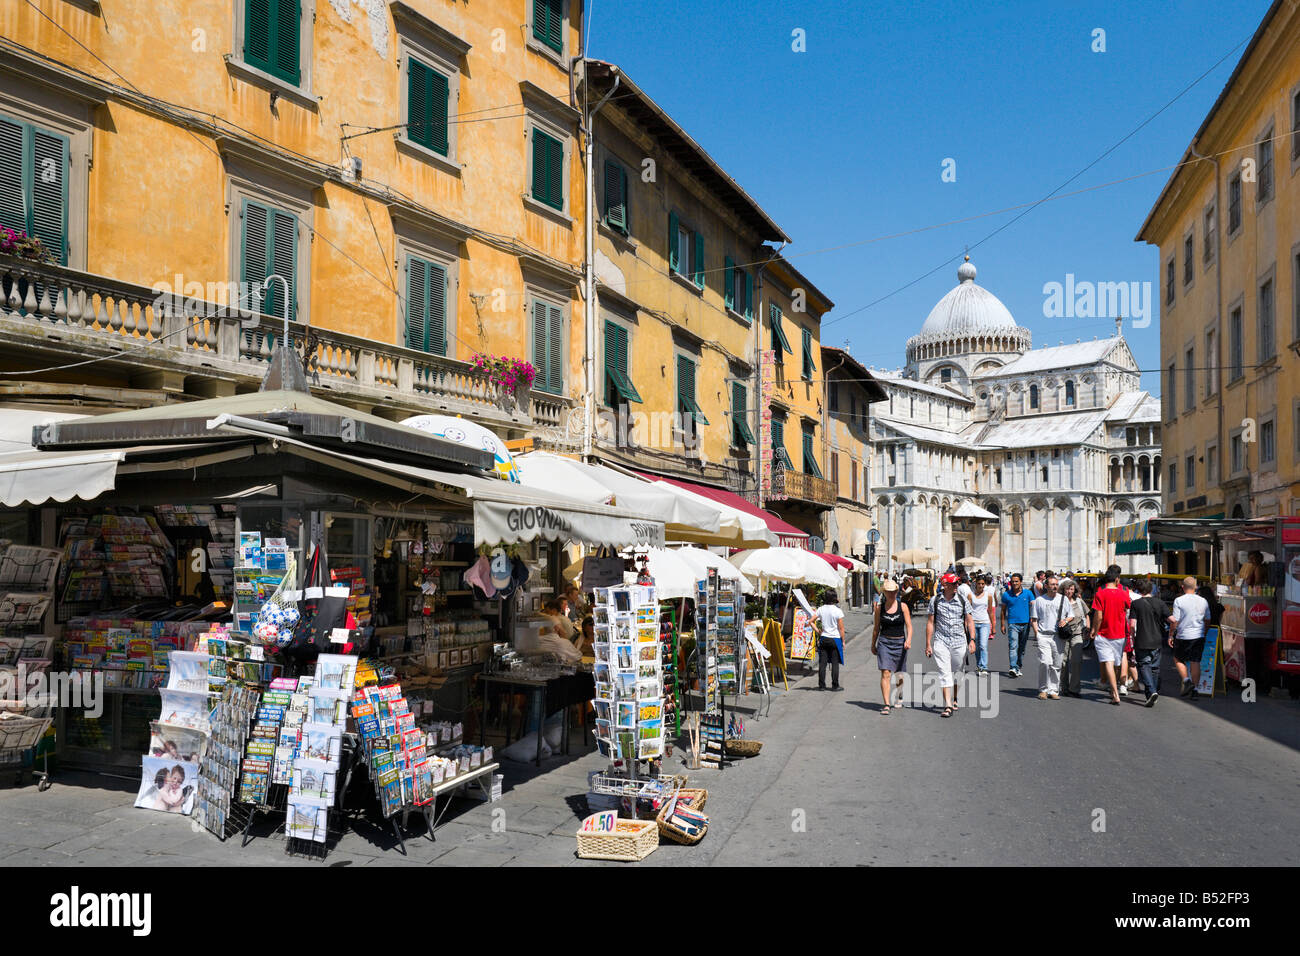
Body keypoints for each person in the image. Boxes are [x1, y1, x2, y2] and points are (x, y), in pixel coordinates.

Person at [926, 573, 975, 717]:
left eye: (957, 583)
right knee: (944, 673)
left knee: (958, 673)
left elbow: (970, 621)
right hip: (941, 641)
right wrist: (928, 644)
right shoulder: (935, 601)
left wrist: (972, 640)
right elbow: (930, 623)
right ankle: (947, 705)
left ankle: (954, 697)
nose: (956, 586)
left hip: (959, 641)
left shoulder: (962, 600)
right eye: (954, 584)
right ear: (945, 585)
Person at [1091, 564, 1132, 705]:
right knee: (1115, 663)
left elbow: (1099, 616)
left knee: (1108, 662)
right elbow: (1128, 608)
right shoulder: (1124, 593)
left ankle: (1114, 692)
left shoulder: (1100, 593)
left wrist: (1093, 630)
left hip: (1103, 632)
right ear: (1117, 580)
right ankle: (1116, 689)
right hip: (1120, 633)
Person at [1168, 575, 1211, 700]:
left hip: (1183, 635)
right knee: (1195, 661)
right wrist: (1205, 631)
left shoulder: (1179, 600)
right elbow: (1207, 619)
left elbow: (1175, 620)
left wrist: (1171, 635)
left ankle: (1186, 680)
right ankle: (1196, 689)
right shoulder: (1203, 601)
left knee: (1177, 658)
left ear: (1182, 587)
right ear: (1196, 587)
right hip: (1198, 635)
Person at [872, 579, 911, 714]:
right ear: (885, 593)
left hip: (900, 642)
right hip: (884, 642)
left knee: (899, 674)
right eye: (888, 592)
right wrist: (873, 644)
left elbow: (909, 627)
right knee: (886, 672)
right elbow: (876, 628)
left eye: (893, 592)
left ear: (896, 592)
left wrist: (909, 640)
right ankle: (887, 704)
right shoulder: (879, 608)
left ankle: (899, 693)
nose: (891, 594)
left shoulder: (903, 607)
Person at [1029, 574, 1070, 699]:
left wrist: (1066, 621)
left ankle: (1053, 690)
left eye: (1057, 584)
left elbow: (1070, 614)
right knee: (1045, 662)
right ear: (1046, 586)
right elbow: (1034, 619)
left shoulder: (1064, 599)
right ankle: (1043, 689)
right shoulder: (1039, 601)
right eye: (1052, 584)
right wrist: (1037, 634)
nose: (1055, 587)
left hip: (1058, 636)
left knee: (1057, 664)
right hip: (1044, 635)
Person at [1130, 578, 1169, 706]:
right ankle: (1152, 692)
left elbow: (1132, 624)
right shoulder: (1160, 603)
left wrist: (1133, 638)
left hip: (1142, 639)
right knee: (1155, 668)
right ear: (1151, 589)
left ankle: (1151, 691)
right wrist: (1172, 634)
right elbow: (1173, 620)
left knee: (1143, 665)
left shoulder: (1135, 604)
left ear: (1138, 590)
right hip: (1157, 640)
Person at [1058, 578, 1089, 697]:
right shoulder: (1059, 601)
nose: (1069, 591)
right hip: (1063, 634)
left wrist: (1087, 628)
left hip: (1077, 633)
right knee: (1063, 662)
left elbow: (1086, 615)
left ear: (1075, 590)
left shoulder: (1079, 602)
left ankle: (1074, 689)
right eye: (1067, 589)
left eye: (1072, 589)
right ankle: (1064, 687)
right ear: (1063, 590)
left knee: (1077, 661)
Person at [1000, 573, 1034, 678]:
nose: (1014, 583)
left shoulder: (1028, 593)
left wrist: (1034, 619)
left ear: (1020, 582)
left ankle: (1018, 666)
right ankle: (1013, 667)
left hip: (1026, 624)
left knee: (1022, 648)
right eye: (1013, 581)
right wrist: (1002, 624)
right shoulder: (1006, 595)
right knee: (1013, 646)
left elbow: (1034, 606)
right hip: (1012, 624)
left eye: (1016, 581)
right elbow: (1003, 610)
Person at [815, 590, 846, 691]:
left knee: (822, 663)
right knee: (835, 663)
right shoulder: (838, 611)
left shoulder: (820, 609)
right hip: (835, 639)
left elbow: (811, 621)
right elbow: (841, 628)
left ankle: (821, 685)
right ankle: (835, 685)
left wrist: (818, 631)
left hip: (824, 638)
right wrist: (843, 641)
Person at [968, 573, 996, 674]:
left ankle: (984, 667)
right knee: (977, 646)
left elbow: (990, 612)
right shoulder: (970, 595)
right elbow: (968, 612)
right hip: (973, 623)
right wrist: (966, 625)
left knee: (983, 645)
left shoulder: (988, 596)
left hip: (985, 623)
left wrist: (993, 626)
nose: (981, 586)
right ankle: (979, 665)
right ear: (976, 584)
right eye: (979, 584)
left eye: (983, 584)